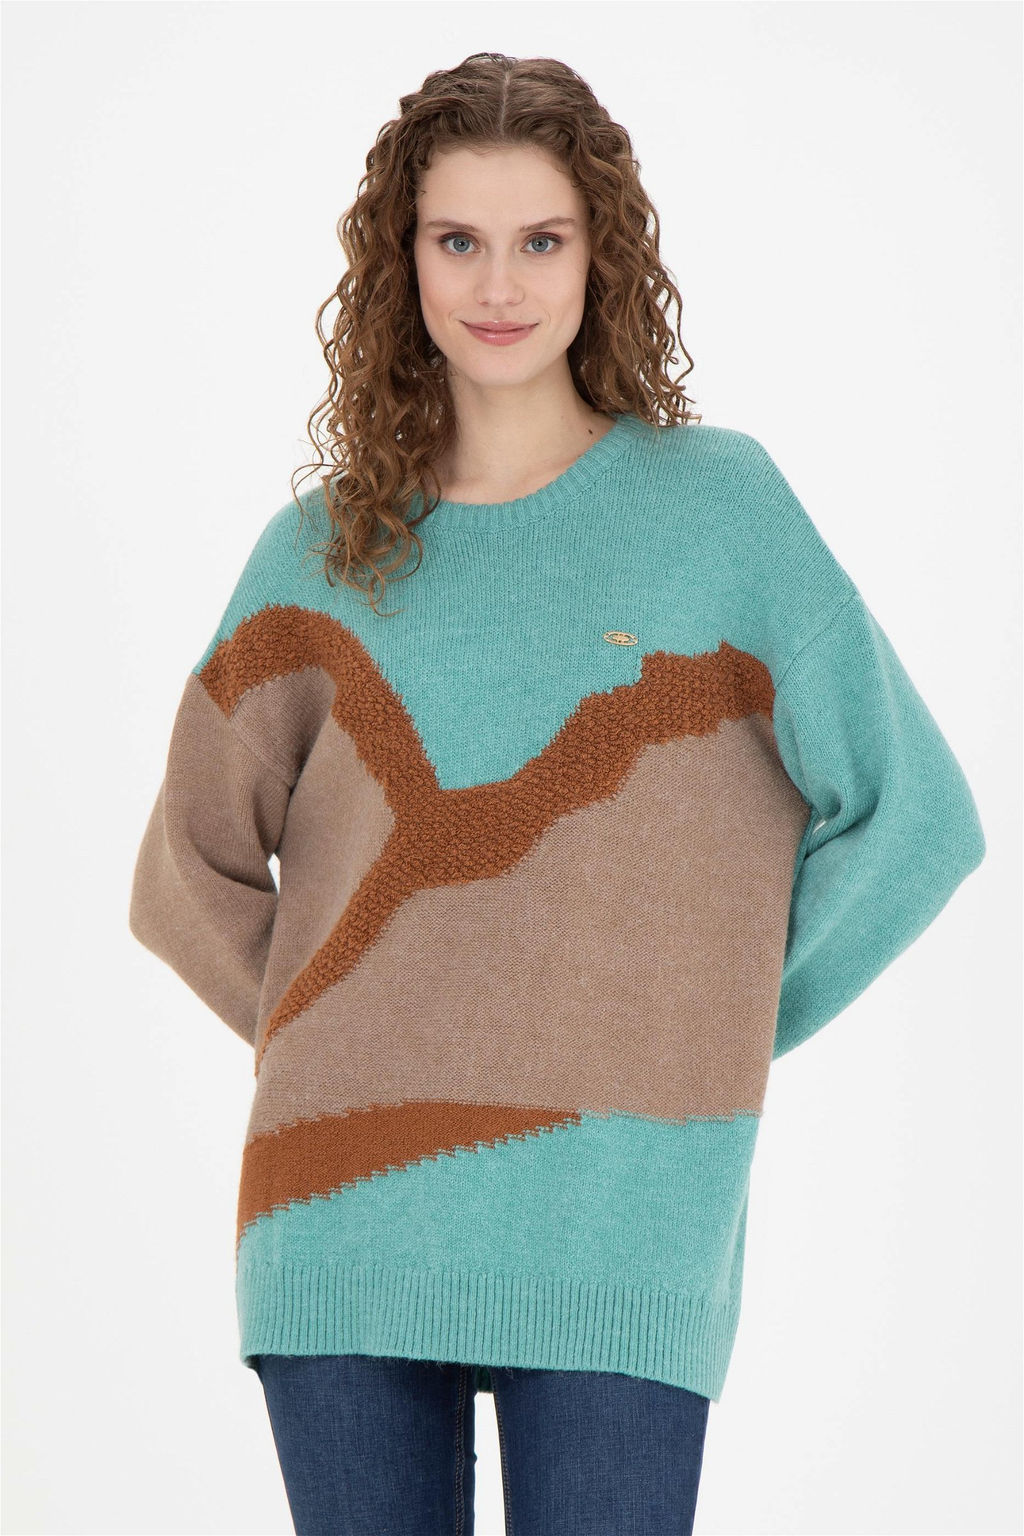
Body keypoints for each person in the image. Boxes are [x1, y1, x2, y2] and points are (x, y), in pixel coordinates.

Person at [128, 51, 986, 1536]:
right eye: (457, 239)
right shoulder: (316, 555)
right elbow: (181, 875)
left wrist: (694, 1030)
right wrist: (352, 1041)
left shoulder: (719, 513)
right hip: (342, 1217)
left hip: (621, 1220)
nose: (498, 285)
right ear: (401, 262)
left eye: (541, 239)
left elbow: (917, 821)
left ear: (603, 255)